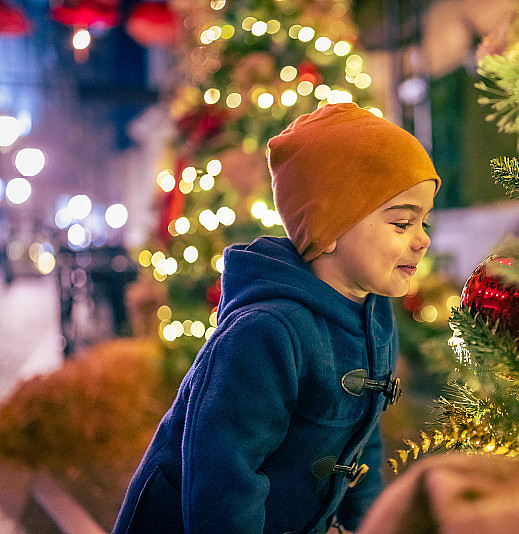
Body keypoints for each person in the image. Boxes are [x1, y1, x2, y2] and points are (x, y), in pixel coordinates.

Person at [112, 102, 441, 534]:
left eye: (424, 222)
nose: (423, 240)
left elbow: (361, 440)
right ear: (328, 228)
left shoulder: (373, 312)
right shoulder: (267, 331)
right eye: (402, 223)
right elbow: (224, 479)